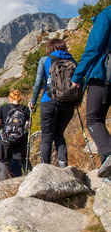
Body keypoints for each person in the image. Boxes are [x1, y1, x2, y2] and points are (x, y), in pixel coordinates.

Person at [72, 5, 111, 182]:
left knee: (94, 119)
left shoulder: (106, 15)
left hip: (103, 76)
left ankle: (109, 157)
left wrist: (78, 76)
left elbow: (93, 49)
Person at [29, 39, 77, 168]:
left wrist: (33, 102)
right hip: (68, 103)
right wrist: (78, 101)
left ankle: (46, 167)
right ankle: (63, 164)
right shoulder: (72, 60)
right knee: (59, 134)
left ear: (50, 48)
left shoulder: (45, 60)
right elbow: (79, 81)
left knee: (46, 136)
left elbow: (38, 83)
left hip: (48, 101)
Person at [0, 89, 32, 179]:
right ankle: (31, 177)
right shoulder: (25, 109)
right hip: (20, 140)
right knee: (23, 161)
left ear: (10, 98)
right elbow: (28, 126)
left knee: (5, 161)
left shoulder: (3, 108)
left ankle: (6, 184)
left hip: (6, 140)